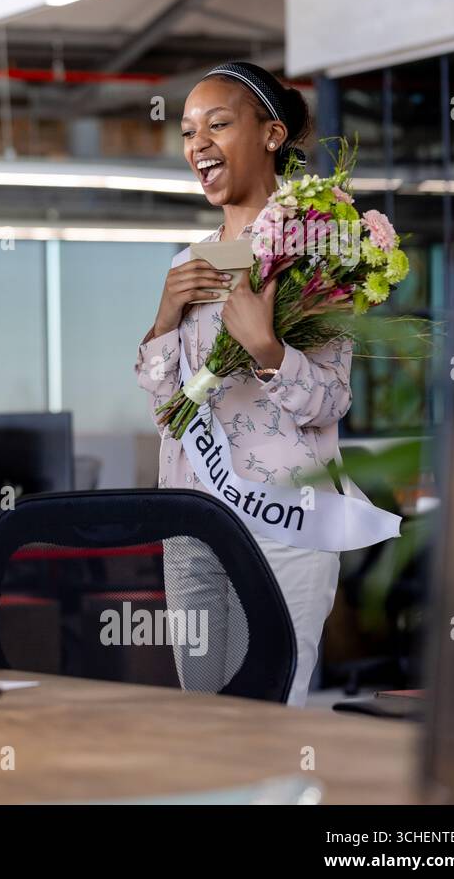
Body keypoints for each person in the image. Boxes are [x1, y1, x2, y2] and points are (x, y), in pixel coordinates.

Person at [133, 60, 349, 707]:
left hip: (284, 521)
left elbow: (331, 399)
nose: (197, 144)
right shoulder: (188, 262)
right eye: (187, 131)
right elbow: (165, 411)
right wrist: (165, 316)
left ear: (272, 134)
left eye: (218, 124)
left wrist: (265, 347)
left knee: (269, 713)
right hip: (193, 522)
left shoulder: (318, 248)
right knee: (203, 716)